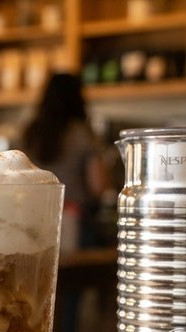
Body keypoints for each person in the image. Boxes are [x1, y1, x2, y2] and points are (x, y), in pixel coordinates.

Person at [22, 72, 108, 250]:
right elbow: (98, 186)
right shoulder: (83, 134)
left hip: (31, 217)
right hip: (74, 221)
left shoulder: (30, 133)